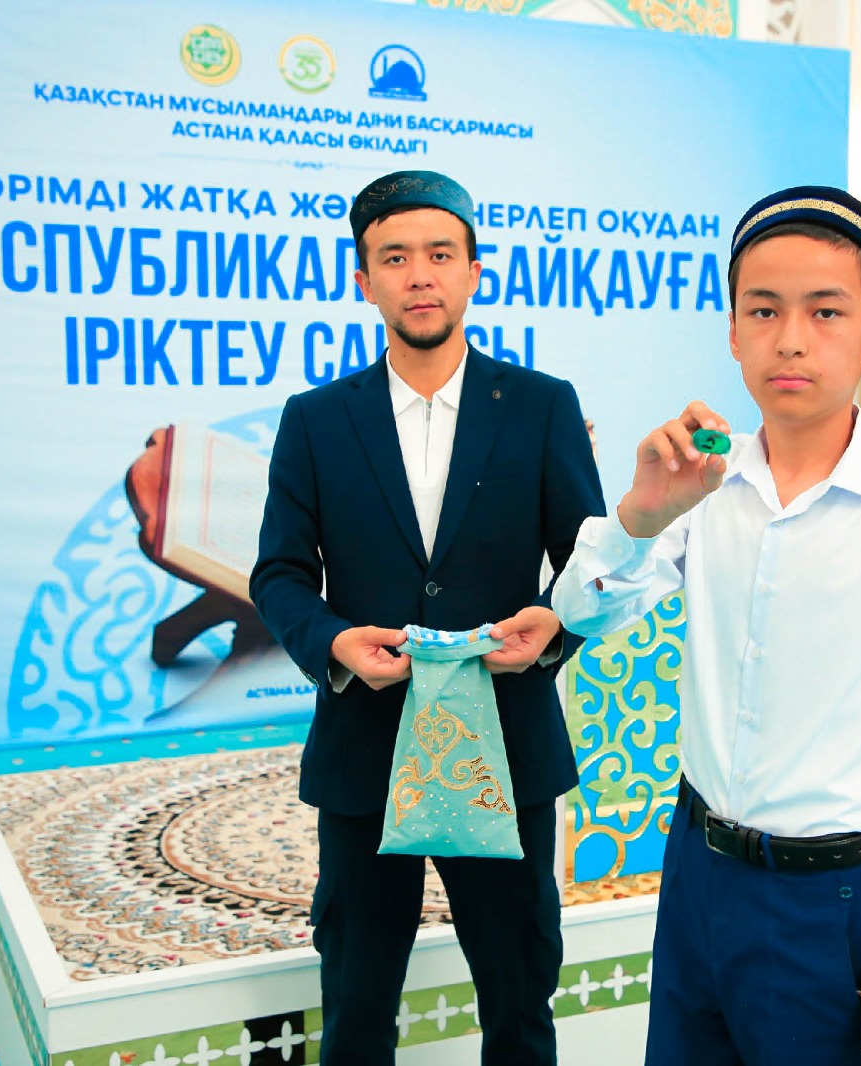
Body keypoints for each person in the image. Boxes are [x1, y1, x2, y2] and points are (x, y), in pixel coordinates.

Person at [552, 186, 861, 1066]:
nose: (790, 339)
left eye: (825, 311)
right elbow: (581, 614)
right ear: (732, 332)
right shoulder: (703, 484)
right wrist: (639, 516)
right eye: (764, 311)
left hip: (826, 900)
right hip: (696, 872)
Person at [250, 169, 604, 1065]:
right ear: (363, 279)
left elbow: (587, 566)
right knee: (357, 1005)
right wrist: (334, 641)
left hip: (504, 750)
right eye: (395, 257)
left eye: (440, 255)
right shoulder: (317, 420)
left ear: (474, 272)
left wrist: (548, 634)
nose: (420, 276)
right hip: (365, 751)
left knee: (519, 998)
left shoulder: (542, 406)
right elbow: (279, 574)